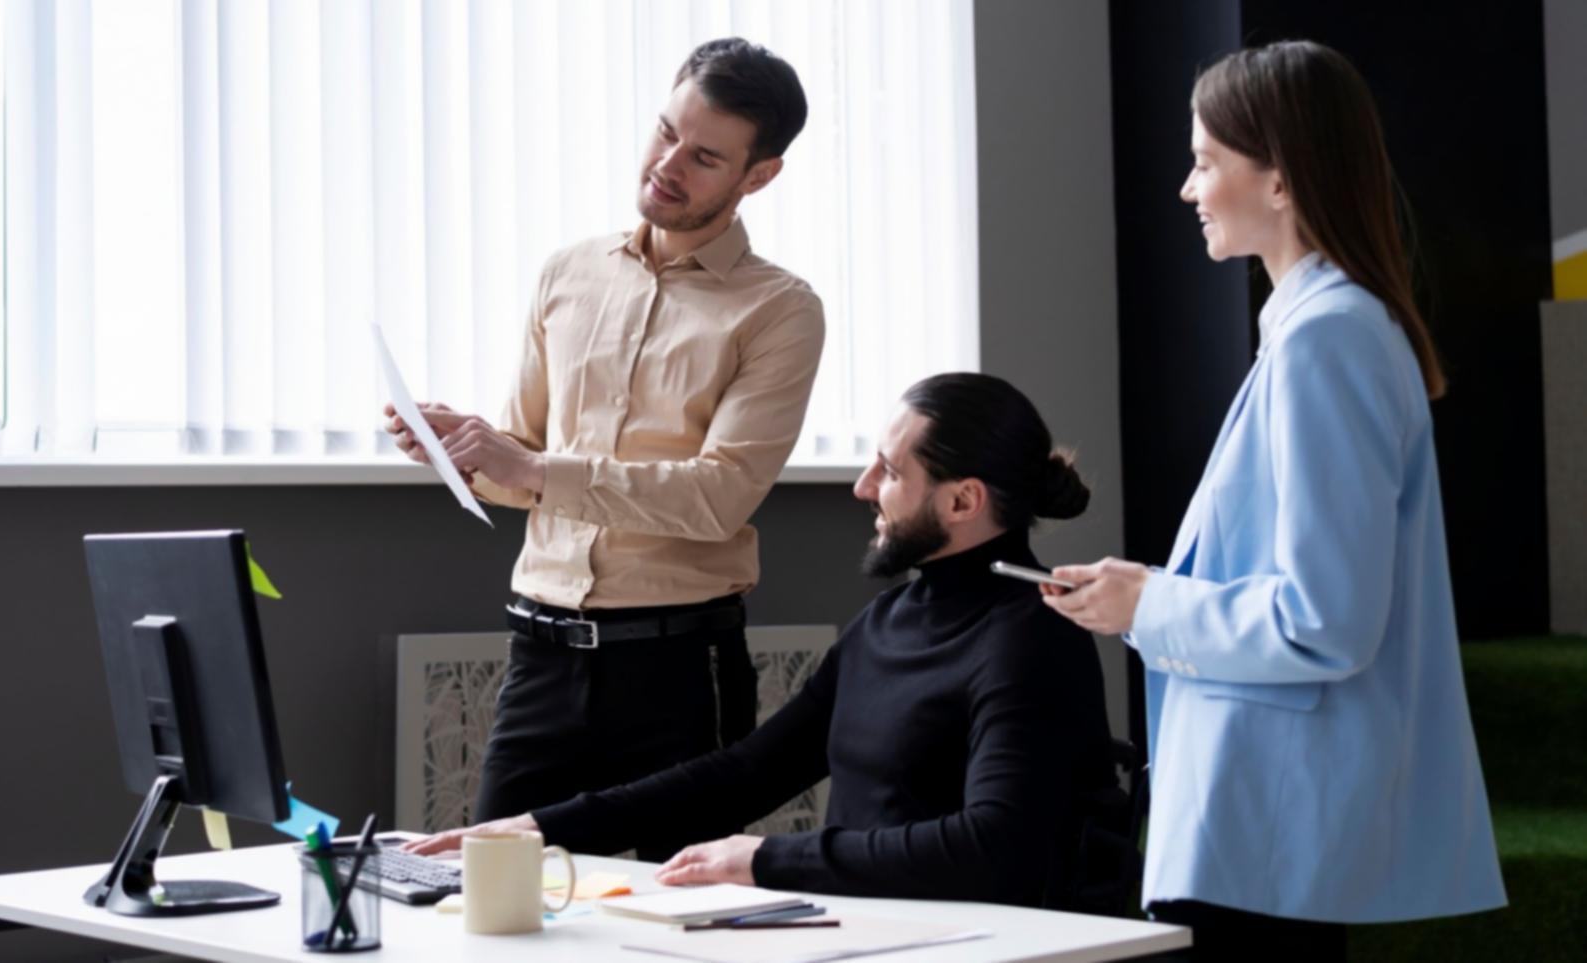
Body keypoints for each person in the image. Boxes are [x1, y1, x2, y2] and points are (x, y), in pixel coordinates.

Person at [1042, 40, 1505, 958]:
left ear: (1282, 179)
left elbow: (1325, 620)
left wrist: (1149, 604)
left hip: (1267, 827)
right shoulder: (1321, 330)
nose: (1187, 188)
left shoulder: (1327, 339)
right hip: (1263, 828)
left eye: (1205, 160)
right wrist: (1145, 595)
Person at [406, 373, 1115, 909]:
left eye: (891, 471)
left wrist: (763, 860)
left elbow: (994, 849)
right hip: (868, 928)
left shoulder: (1033, 637)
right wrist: (537, 826)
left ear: (963, 500)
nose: (864, 487)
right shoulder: (888, 620)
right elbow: (749, 770)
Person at [385, 38, 824, 862]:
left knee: (677, 908)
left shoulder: (780, 310)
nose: (667, 165)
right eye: (665, 132)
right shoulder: (568, 273)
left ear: (758, 176)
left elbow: (718, 497)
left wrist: (530, 467)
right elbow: (525, 467)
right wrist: (464, 452)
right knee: (490, 893)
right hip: (540, 658)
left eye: (704, 157)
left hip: (678, 669)